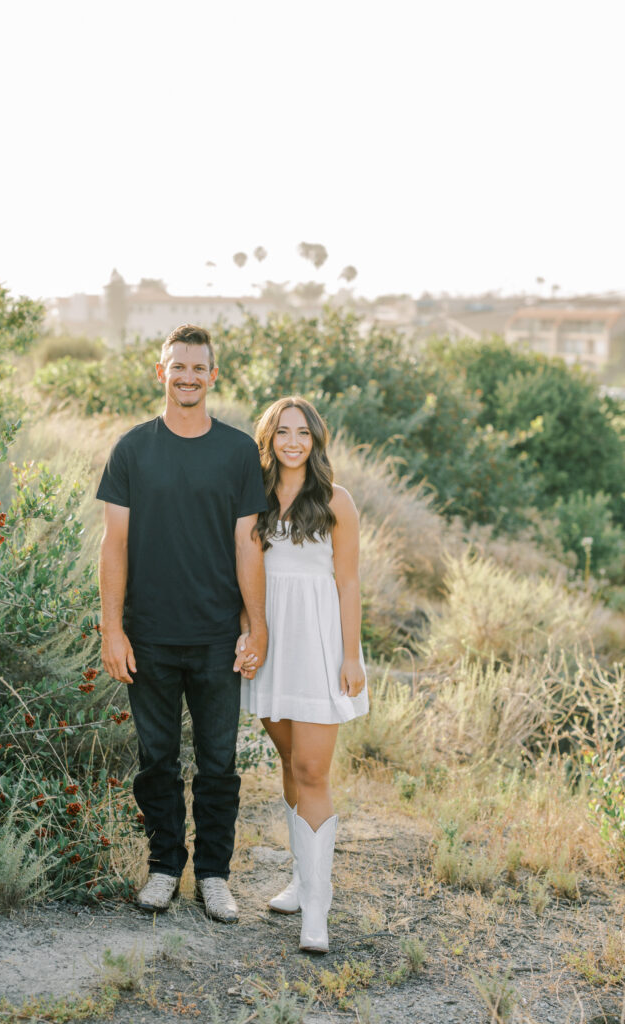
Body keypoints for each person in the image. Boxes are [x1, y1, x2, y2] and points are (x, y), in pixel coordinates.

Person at [96, 323, 268, 923]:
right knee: (157, 761)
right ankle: (165, 868)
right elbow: (113, 544)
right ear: (162, 372)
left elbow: (249, 546)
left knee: (219, 765)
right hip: (149, 638)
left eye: (199, 368)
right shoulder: (132, 449)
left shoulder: (239, 452)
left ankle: (215, 876)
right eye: (179, 367)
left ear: (213, 375)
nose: (188, 377)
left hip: (220, 637)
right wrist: (111, 630)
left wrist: (257, 625)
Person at [238, 396, 368, 953]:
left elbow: (348, 584)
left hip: (319, 647)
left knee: (312, 769)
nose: (293, 442)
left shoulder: (335, 501)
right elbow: (245, 578)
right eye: (283, 432)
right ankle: (300, 878)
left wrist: (352, 654)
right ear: (269, 439)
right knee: (290, 762)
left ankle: (318, 908)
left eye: (303, 434)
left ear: (315, 441)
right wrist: (248, 632)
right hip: (271, 647)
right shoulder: (253, 500)